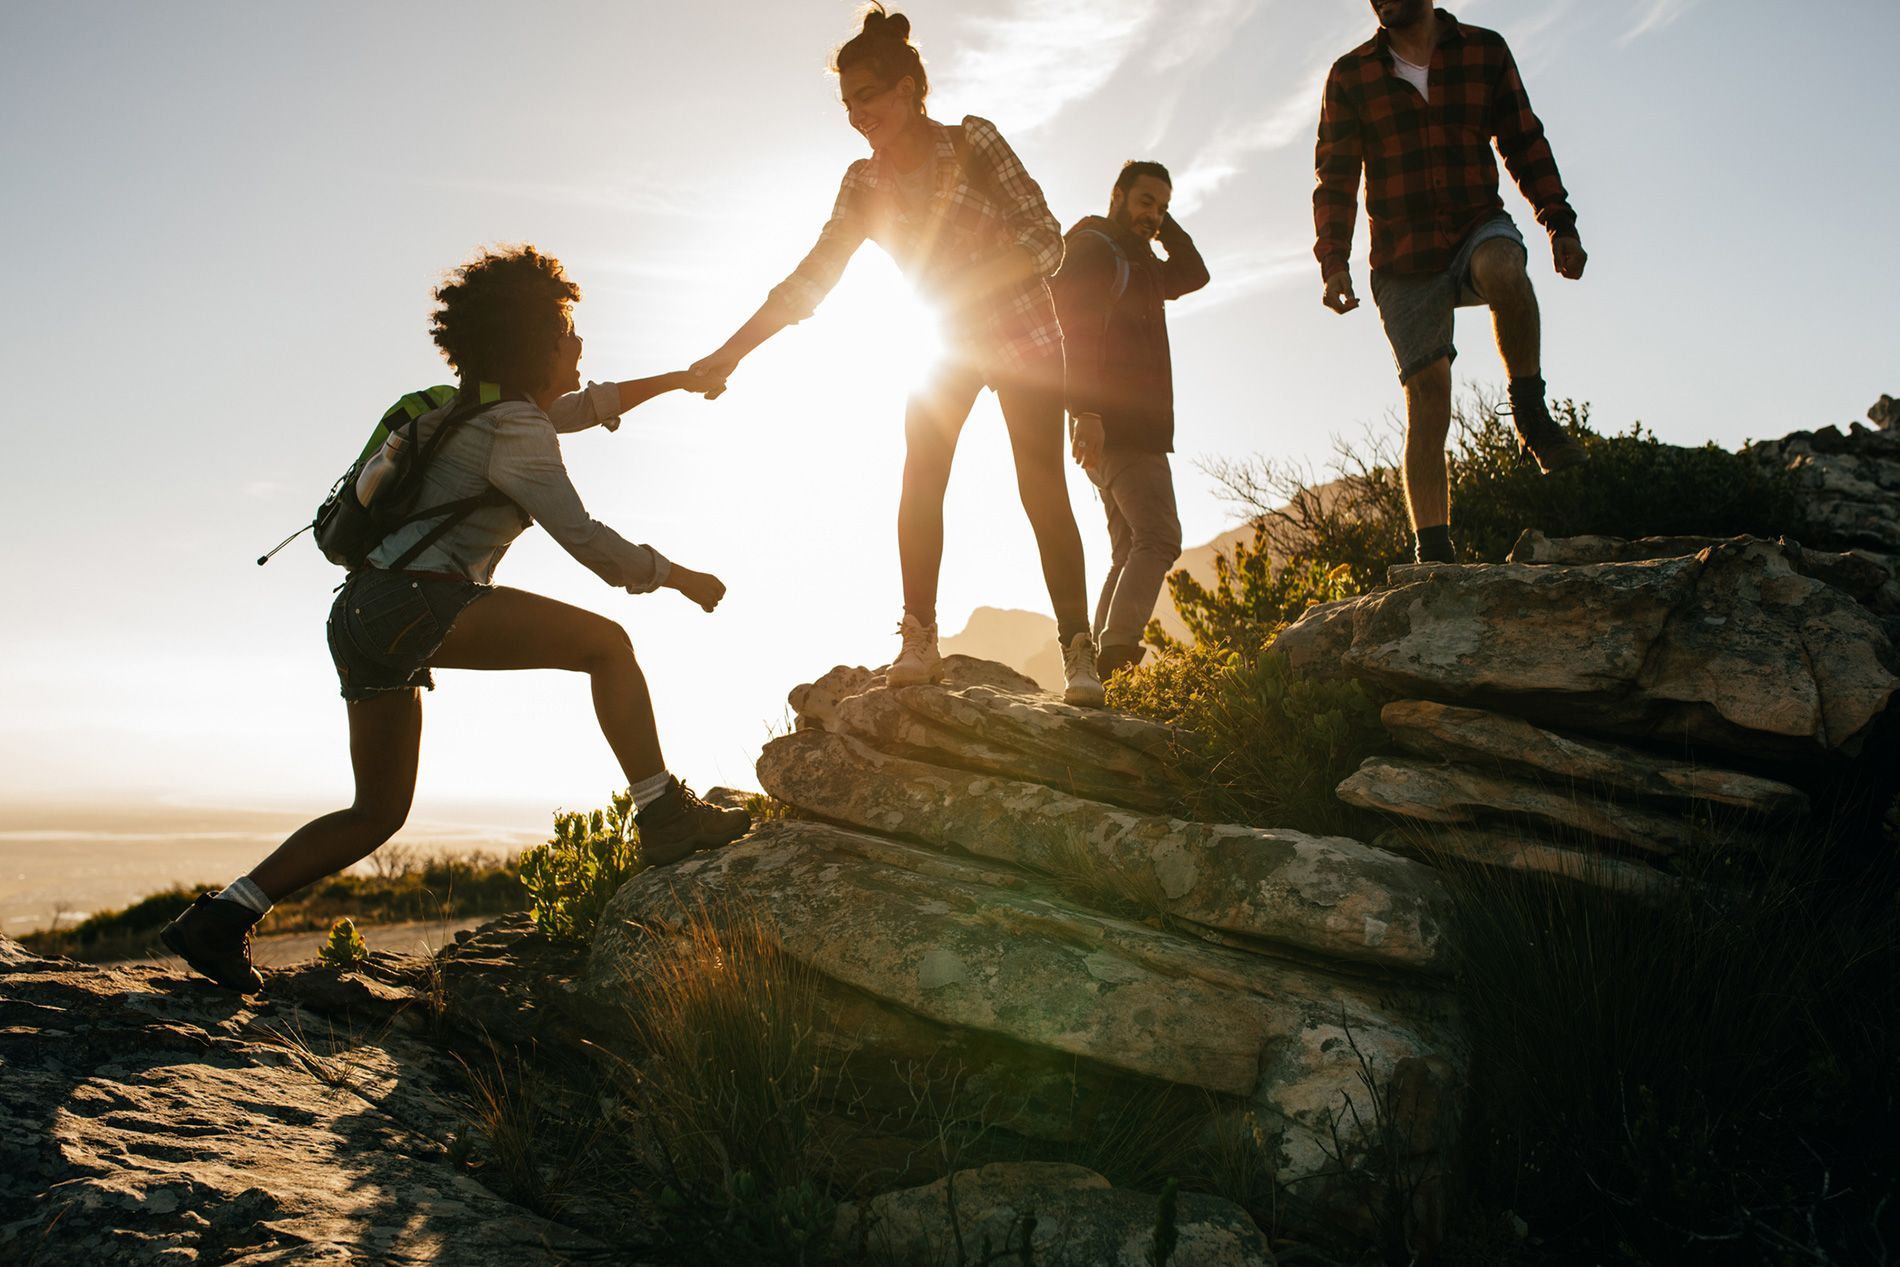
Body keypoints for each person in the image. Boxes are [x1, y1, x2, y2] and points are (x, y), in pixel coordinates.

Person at [161, 245, 749, 993]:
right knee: (608, 644)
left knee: (376, 812)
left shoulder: (464, 407)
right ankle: (663, 814)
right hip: (417, 603)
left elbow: (583, 407)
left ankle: (221, 917)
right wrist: (678, 577)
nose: (579, 349)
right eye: (569, 336)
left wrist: (678, 379)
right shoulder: (516, 429)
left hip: (362, 613)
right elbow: (589, 542)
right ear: (535, 346)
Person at [688, 4, 1105, 707]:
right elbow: (809, 279)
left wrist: (979, 279)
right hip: (941, 342)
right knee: (921, 478)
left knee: (1040, 487)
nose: (858, 113)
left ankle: (1079, 650)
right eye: (848, 102)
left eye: (869, 96)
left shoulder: (974, 141)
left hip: (1021, 334)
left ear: (909, 89)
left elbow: (1046, 236)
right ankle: (919, 637)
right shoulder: (863, 183)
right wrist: (732, 352)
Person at [1315, 0, 1588, 564]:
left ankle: (1530, 413)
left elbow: (1523, 139)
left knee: (1504, 270)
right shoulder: (1352, 74)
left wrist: (1558, 221)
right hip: (1402, 257)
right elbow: (1336, 176)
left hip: (1474, 225)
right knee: (1429, 396)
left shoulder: (1484, 50)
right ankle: (1434, 554)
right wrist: (1333, 261)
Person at [1051, 161, 1209, 679]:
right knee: (1160, 538)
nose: (1153, 214)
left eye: (1162, 206)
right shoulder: (1098, 249)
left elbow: (1195, 274)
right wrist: (1087, 411)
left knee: (1128, 550)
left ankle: (1094, 664)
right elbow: (1077, 331)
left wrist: (1164, 226)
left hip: (1122, 425)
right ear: (1117, 195)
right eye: (1145, 202)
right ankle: (1116, 655)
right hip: (1116, 423)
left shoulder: (1140, 260)